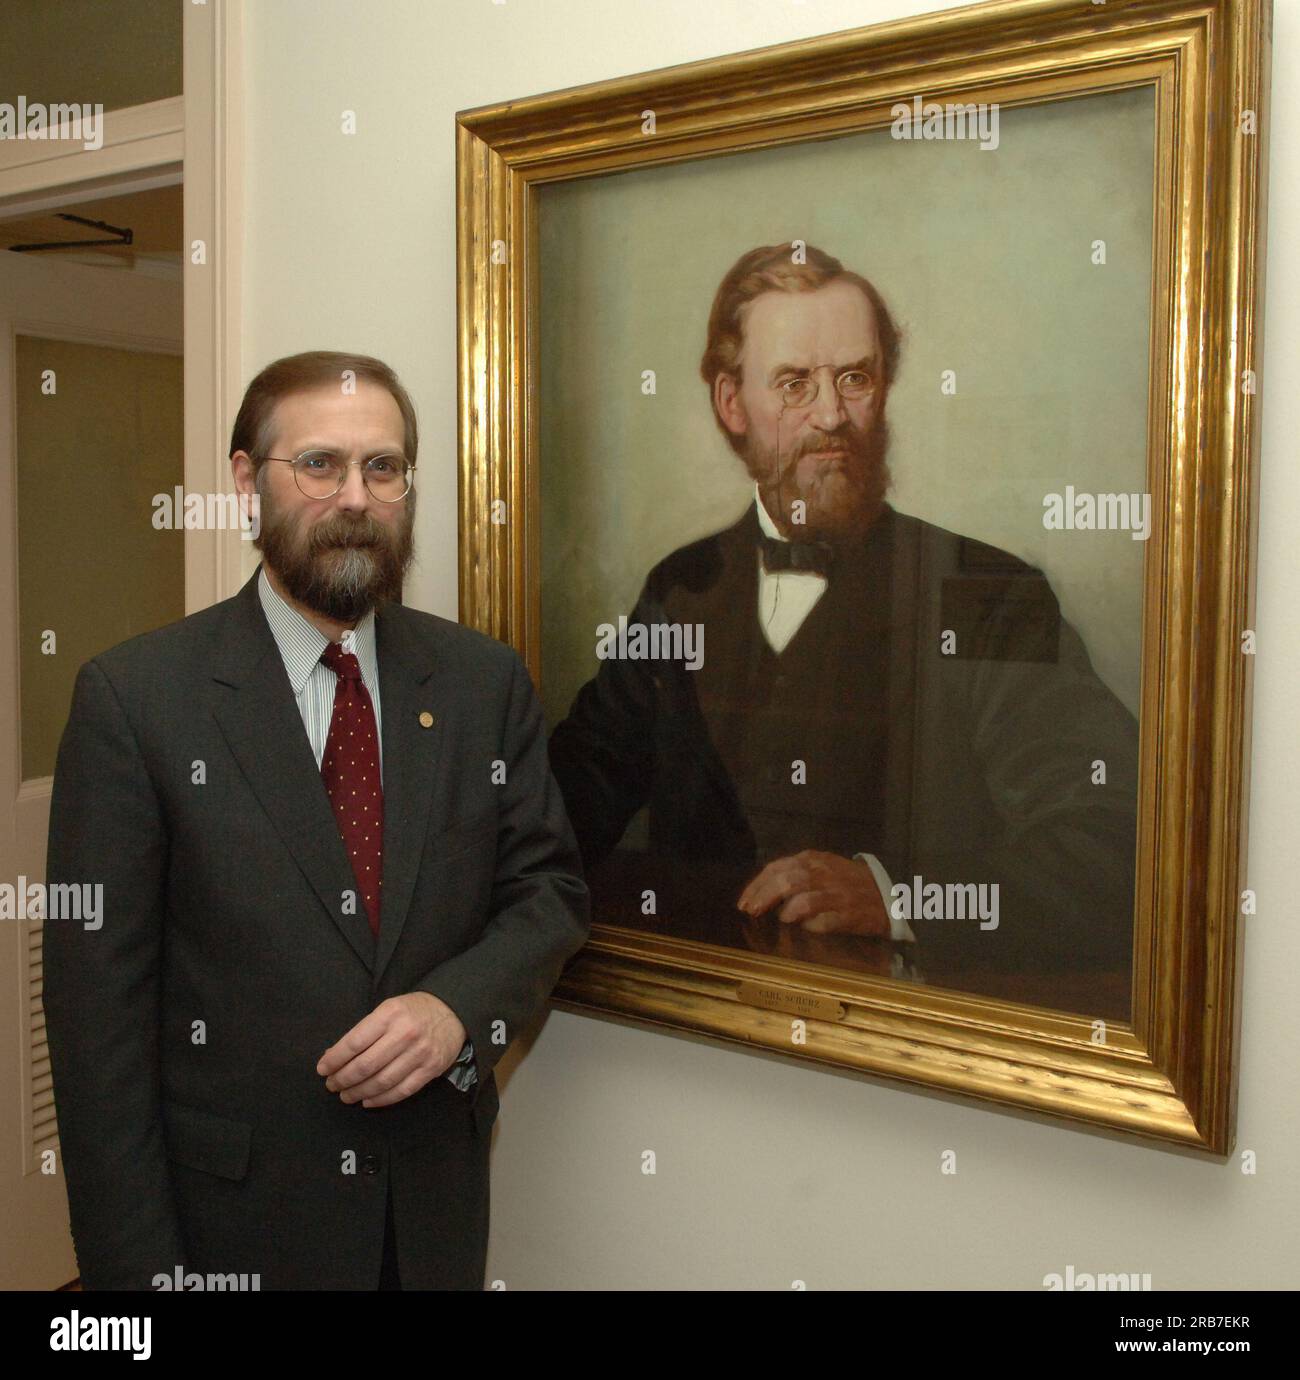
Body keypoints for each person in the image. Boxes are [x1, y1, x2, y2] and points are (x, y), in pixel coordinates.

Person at [43, 351, 589, 1291]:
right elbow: (98, 1041)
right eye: (320, 464)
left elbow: (549, 895)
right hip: (231, 1232)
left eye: (384, 468)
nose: (355, 496)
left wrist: (457, 1008)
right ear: (249, 482)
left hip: (429, 1223)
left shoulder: (479, 685)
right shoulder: (137, 703)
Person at [547, 243, 1138, 993]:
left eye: (854, 378)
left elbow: (1110, 842)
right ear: (732, 404)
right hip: (692, 1037)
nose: (831, 415)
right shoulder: (683, 587)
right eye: (794, 384)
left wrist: (897, 895)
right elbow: (568, 801)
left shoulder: (987, 592)